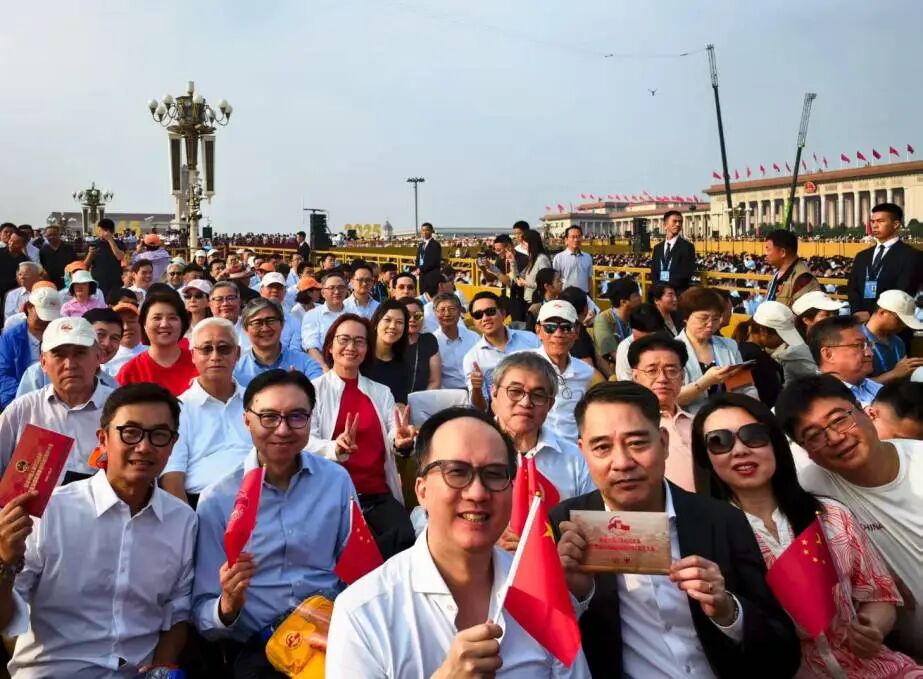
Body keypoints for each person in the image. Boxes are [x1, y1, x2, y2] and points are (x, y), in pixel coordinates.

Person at [552, 381, 800, 678]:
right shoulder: (565, 526)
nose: (622, 463)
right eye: (602, 447)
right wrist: (577, 595)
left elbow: (782, 647)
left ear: (664, 442)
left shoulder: (721, 520)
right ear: (583, 451)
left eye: (637, 443)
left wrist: (728, 611)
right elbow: (547, 647)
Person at [326, 406, 592, 678]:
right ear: (422, 490)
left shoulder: (539, 593)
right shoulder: (364, 612)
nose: (477, 493)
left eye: (494, 474)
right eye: (456, 472)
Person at [693, 392, 921, 677]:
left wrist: (872, 627)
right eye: (719, 441)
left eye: (753, 436)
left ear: (775, 443)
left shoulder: (831, 515)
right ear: (706, 458)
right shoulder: (706, 541)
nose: (739, 450)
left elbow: (879, 595)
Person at [0, 382, 194, 677]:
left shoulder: (182, 521)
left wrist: (160, 668)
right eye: (130, 432)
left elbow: (177, 611)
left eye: (159, 435)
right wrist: (5, 561)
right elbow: (4, 620)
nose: (144, 446)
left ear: (172, 443)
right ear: (103, 439)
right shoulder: (49, 512)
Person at [192, 370, 354, 674]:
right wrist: (228, 605)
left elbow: (356, 569)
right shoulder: (219, 499)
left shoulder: (336, 481)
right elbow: (202, 613)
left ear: (310, 419)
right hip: (260, 650)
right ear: (247, 421)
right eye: (268, 417)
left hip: (330, 638)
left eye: (296, 416)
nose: (282, 429)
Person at [775, 374, 923, 658]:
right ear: (806, 452)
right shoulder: (811, 490)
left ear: (864, 411)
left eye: (840, 420)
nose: (835, 438)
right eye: (814, 436)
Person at [308, 314, 416, 558]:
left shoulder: (380, 392)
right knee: (352, 553)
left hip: (376, 493)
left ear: (367, 350)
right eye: (344, 340)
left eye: (359, 341)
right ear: (330, 346)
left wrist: (400, 441)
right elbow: (305, 441)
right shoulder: (313, 391)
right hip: (333, 496)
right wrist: (334, 447)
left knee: (404, 540)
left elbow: (393, 433)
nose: (351, 347)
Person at [490, 353, 594, 545]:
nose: (525, 402)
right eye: (515, 391)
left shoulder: (574, 458)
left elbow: (591, 527)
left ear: (550, 404)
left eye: (538, 395)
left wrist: (545, 545)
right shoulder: (470, 450)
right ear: (494, 393)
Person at [0, 316, 114, 482]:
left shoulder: (120, 409)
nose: (70, 364)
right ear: (43, 362)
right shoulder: (21, 411)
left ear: (98, 357)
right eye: (59, 355)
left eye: (80, 353)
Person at [161, 317, 252, 509]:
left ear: (237, 353)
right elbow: (172, 477)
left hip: (261, 498)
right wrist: (188, 523)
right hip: (203, 506)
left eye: (224, 349)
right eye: (206, 349)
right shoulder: (178, 409)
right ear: (193, 355)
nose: (215, 356)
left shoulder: (256, 402)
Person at [628, 333, 700, 492]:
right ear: (635, 377)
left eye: (671, 370)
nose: (662, 378)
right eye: (652, 371)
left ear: (682, 376)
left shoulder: (701, 424)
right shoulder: (627, 427)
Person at [676, 287, 757, 413]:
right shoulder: (671, 350)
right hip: (689, 418)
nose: (710, 325)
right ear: (686, 317)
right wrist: (705, 382)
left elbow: (746, 387)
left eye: (715, 319)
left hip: (729, 415)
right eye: (703, 318)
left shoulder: (729, 345)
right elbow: (672, 398)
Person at [462, 291, 541, 412]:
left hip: (537, 407)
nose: (485, 318)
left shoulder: (530, 339)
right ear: (474, 321)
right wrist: (477, 388)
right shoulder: (473, 358)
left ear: (503, 313)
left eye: (490, 312)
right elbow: (480, 408)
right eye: (478, 315)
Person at [16, 307, 122, 396]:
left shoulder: (113, 387)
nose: (107, 343)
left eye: (115, 338)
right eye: (100, 334)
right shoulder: (37, 375)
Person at [847, 203, 923, 321]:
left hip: (892, 322)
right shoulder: (862, 256)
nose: (875, 225)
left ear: (896, 224)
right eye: (872, 221)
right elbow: (853, 287)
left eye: (880, 221)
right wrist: (857, 312)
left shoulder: (911, 256)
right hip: (860, 322)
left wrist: (871, 314)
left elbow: (903, 291)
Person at [532, 299, 594, 443]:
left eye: (566, 328)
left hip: (573, 451)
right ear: (538, 331)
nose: (558, 334)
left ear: (577, 332)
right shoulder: (523, 366)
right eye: (550, 327)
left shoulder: (586, 373)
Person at [117, 291, 198, 396]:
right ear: (144, 324)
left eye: (172, 318)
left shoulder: (200, 363)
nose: (164, 324)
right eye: (157, 318)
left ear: (182, 324)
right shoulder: (129, 372)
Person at [234, 298, 322, 387]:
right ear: (245, 329)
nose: (265, 328)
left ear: (282, 324)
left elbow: (319, 391)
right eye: (257, 323)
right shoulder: (236, 371)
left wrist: (300, 388)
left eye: (271, 320)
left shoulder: (305, 363)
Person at [0, 287, 61, 408]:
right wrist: (23, 402)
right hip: (19, 399)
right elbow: (3, 375)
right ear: (28, 307)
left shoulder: (61, 335)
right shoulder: (10, 338)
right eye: (41, 315)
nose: (45, 320)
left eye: (50, 318)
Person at [808, 316, 883, 406]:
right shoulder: (820, 400)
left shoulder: (870, 386)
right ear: (828, 354)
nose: (870, 353)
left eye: (869, 344)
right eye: (859, 345)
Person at [860, 290, 923, 382]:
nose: (904, 325)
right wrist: (893, 374)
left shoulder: (898, 342)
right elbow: (854, 386)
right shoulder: (856, 341)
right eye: (899, 320)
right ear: (882, 312)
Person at [752, 300, 819, 383]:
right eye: (782, 337)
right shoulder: (755, 357)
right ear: (763, 331)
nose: (784, 342)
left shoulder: (756, 351)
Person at [362, 300, 413, 403]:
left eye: (399, 322)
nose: (393, 326)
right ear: (376, 322)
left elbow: (400, 402)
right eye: (387, 320)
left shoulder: (403, 363)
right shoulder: (360, 355)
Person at [431, 292, 478, 389]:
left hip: (475, 390)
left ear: (460, 311)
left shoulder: (473, 337)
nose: (447, 314)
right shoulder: (432, 342)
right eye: (442, 310)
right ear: (435, 313)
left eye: (452, 309)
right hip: (448, 394)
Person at [301, 271, 348, 367]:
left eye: (341, 287)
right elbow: (311, 346)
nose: (337, 291)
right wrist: (325, 368)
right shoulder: (312, 315)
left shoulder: (354, 315)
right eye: (331, 288)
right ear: (323, 292)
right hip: (323, 366)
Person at [763, 229, 821, 307]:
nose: (765, 253)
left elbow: (809, 312)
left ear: (782, 252)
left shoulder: (803, 279)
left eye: (768, 249)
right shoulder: (778, 273)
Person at [479, 235, 529, 324]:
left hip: (519, 296)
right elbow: (491, 279)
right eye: (495, 250)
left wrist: (492, 268)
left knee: (518, 325)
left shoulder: (523, 259)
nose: (497, 253)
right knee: (493, 318)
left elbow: (510, 282)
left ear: (509, 247)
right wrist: (483, 269)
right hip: (506, 294)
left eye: (499, 250)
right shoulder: (500, 259)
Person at [612, 302, 667, 380]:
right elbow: (625, 382)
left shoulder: (666, 343)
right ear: (633, 330)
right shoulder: (625, 348)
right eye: (646, 336)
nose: (650, 341)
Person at [593, 278, 640, 367]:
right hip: (615, 367)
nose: (640, 298)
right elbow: (615, 355)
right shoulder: (603, 320)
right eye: (636, 295)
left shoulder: (637, 316)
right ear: (623, 302)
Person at [401, 297, 441, 394]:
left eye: (417, 315)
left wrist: (420, 400)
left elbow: (435, 381)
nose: (412, 319)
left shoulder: (428, 340)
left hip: (422, 399)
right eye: (407, 315)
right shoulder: (390, 342)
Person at [650, 211, 696, 294]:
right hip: (659, 293)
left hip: (677, 293)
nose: (678, 224)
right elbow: (654, 271)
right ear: (665, 225)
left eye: (680, 222)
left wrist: (666, 289)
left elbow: (685, 274)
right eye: (674, 221)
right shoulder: (657, 248)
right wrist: (659, 290)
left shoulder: (687, 247)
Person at [257, 271, 302, 352]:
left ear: (285, 291)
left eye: (279, 287)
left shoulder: (294, 322)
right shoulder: (249, 318)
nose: (275, 290)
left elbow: (295, 350)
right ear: (261, 290)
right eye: (270, 286)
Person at [85, 217, 126, 297]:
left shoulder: (119, 243)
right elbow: (85, 266)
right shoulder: (93, 244)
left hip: (115, 282)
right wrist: (90, 254)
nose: (100, 233)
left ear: (111, 231)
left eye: (103, 231)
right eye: (99, 230)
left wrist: (110, 240)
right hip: (98, 283)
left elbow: (119, 257)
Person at [553, 226, 593, 295]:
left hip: (583, 296)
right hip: (565, 296)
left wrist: (590, 296)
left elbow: (589, 278)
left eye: (578, 237)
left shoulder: (587, 257)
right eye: (573, 237)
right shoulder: (559, 258)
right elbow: (555, 280)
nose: (576, 240)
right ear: (566, 239)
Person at [517, 229, 552, 306]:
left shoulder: (541, 259)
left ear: (532, 243)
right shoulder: (532, 259)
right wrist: (512, 261)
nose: (522, 246)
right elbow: (518, 276)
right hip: (529, 299)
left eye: (524, 243)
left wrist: (525, 283)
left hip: (537, 301)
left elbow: (545, 283)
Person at [37, 224, 77, 290]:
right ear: (45, 236)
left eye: (55, 234)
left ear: (59, 235)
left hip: (67, 282)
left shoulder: (69, 248)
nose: (52, 237)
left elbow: (74, 264)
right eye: (49, 235)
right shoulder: (42, 251)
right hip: (50, 283)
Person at [0, 230, 31, 312]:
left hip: (12, 295)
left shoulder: (25, 261)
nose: (11, 244)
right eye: (11, 240)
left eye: (16, 242)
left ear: (24, 244)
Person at [414, 222, 442, 292]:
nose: (424, 232)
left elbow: (433, 261)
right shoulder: (421, 245)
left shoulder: (435, 245)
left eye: (427, 230)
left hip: (431, 275)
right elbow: (418, 259)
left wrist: (420, 269)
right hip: (422, 275)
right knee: (422, 294)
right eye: (423, 230)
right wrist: (417, 268)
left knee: (431, 295)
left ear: (431, 231)